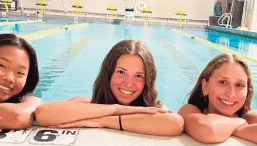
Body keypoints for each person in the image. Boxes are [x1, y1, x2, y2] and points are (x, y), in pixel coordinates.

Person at [35, 40, 184, 136]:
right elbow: (43, 114)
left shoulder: (153, 110)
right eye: (121, 72)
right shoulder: (85, 104)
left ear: (147, 81)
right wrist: (117, 109)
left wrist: (103, 121)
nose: (128, 83)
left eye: (139, 76)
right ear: (108, 73)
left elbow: (176, 124)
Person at [178, 53, 257, 146]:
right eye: (222, 82)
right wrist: (238, 123)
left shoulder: (251, 117)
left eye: (239, 85)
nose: (231, 93)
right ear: (205, 87)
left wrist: (235, 129)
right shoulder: (190, 111)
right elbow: (206, 129)